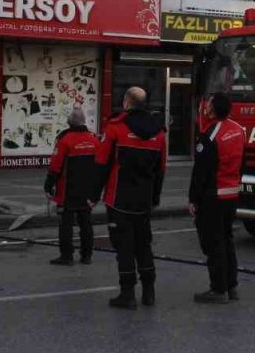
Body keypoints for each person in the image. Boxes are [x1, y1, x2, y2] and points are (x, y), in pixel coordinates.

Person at [97, 86, 167, 309]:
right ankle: (149, 291)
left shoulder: (116, 127)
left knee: (124, 247)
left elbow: (101, 162)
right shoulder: (159, 132)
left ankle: (127, 294)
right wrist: (155, 198)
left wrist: (91, 195)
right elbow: (161, 170)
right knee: (144, 244)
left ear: (127, 103)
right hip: (144, 200)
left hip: (119, 199)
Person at [188, 93, 246, 304]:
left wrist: (193, 199)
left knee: (213, 244)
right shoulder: (239, 130)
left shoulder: (210, 135)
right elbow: (243, 162)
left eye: (209, 105)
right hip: (231, 194)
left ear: (212, 110)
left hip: (213, 197)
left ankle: (218, 289)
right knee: (227, 240)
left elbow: (201, 172)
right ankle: (232, 286)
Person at [44, 109, 101, 266]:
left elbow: (55, 167)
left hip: (67, 190)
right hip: (87, 190)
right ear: (84, 122)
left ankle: (67, 256)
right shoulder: (94, 139)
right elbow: (100, 166)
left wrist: (48, 185)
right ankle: (87, 255)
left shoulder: (65, 140)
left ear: (69, 122)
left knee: (66, 224)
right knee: (86, 223)